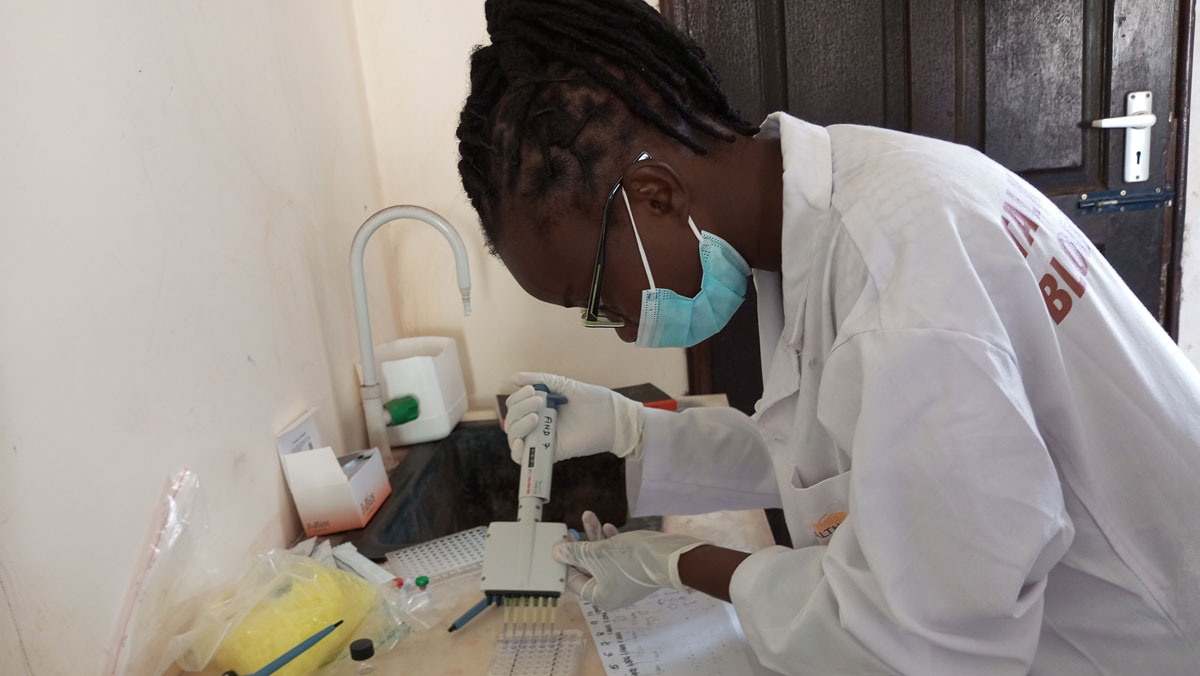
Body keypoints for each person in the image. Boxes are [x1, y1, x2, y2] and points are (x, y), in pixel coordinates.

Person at [455, 1, 1200, 673]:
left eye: (593, 296)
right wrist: (633, 431)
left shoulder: (900, 293)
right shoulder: (835, 201)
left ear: (653, 196)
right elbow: (840, 455)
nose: (618, 332)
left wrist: (675, 563)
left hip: (1144, 641)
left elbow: (918, 641)